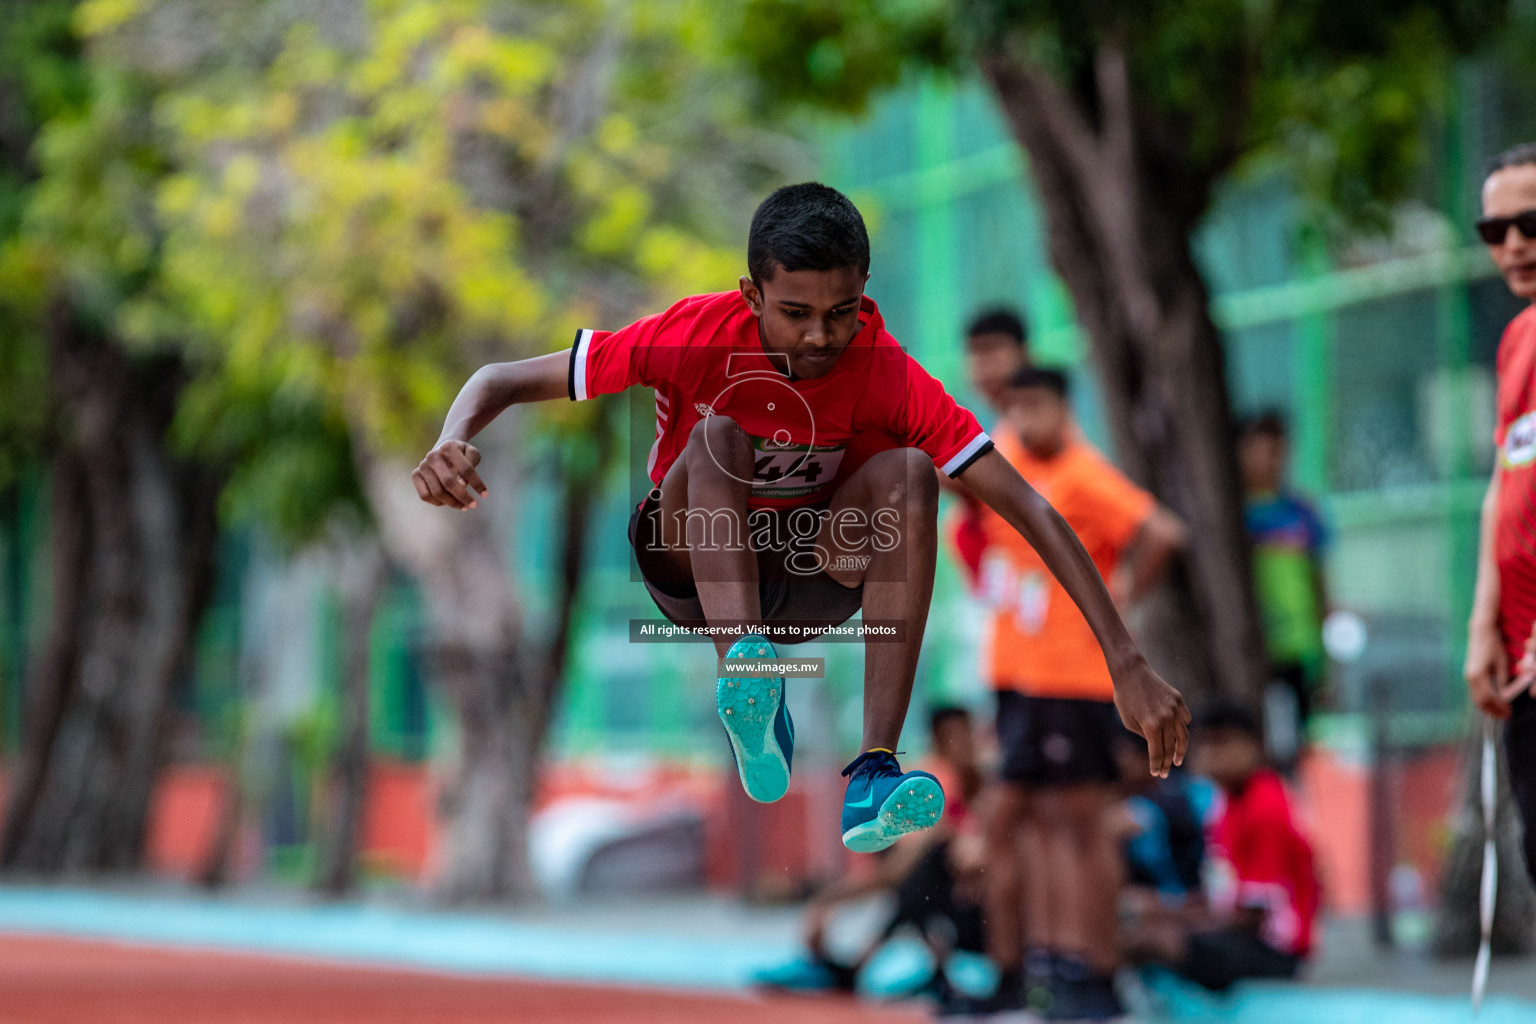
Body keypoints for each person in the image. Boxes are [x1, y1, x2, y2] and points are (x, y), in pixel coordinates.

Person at [412, 182, 1188, 857]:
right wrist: (452, 440)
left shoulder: (887, 371)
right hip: (695, 569)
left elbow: (1030, 507)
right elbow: (500, 378)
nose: (819, 337)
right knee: (720, 434)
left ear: (865, 292)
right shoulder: (691, 334)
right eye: (794, 313)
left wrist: (1124, 658)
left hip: (817, 575)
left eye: (841, 312)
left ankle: (874, 770)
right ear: (750, 296)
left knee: (913, 474)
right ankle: (747, 671)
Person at [972, 367, 1187, 1019]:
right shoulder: (1005, 460)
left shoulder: (1083, 472)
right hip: (1020, 676)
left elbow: (1164, 531)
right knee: (1030, 824)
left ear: (1066, 410)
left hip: (1075, 676)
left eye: (1039, 406)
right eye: (1017, 407)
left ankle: (1095, 971)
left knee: (1082, 824)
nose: (1027, 419)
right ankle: (1044, 966)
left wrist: (1122, 591)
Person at [754, 706, 987, 998]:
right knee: (925, 867)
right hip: (930, 885)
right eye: (958, 737)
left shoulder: (976, 782)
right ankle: (872, 964)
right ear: (939, 740)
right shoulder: (939, 783)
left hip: (956, 895)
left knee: (927, 869)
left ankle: (861, 965)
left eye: (969, 735)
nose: (968, 744)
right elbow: (899, 868)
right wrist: (829, 900)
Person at [1125, 701, 1318, 993]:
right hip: (1238, 932)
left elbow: (1254, 917)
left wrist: (1176, 924)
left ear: (1255, 745)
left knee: (1151, 942)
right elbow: (1224, 896)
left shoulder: (1266, 806)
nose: (1212, 755)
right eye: (1204, 744)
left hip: (1275, 950)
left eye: (1222, 742)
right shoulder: (1224, 804)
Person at [1466, 142, 1536, 886]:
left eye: (1531, 224)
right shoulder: (1520, 338)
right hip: (1520, 660)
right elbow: (1503, 482)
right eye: (1495, 230)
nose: (1513, 244)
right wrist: (1483, 624)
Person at [1238, 411, 1329, 771]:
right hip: (1253, 648)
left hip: (1297, 648)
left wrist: (1324, 654)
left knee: (1290, 748)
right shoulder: (1234, 513)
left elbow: (1319, 581)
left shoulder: (1302, 512)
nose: (1272, 460)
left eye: (1279, 450)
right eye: (1262, 449)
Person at [949, 310, 1031, 590]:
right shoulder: (1002, 431)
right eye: (975, 353)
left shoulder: (1035, 431)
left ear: (1023, 353)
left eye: (993, 350)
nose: (983, 363)